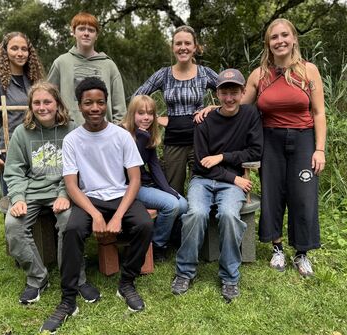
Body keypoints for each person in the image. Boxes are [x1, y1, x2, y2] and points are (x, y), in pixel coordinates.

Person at [41, 77, 153, 334]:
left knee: (144, 224)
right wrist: (95, 215)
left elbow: (134, 180)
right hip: (89, 198)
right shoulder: (72, 140)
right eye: (88, 103)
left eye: (100, 102)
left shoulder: (121, 135)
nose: (95, 108)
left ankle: (126, 283)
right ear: (79, 106)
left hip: (120, 195)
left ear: (107, 104)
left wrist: (117, 217)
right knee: (72, 229)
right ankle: (68, 300)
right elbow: (71, 185)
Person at [242, 18, 326, 277]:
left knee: (303, 196)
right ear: (268, 43)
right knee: (273, 194)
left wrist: (319, 149)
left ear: (293, 39)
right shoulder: (259, 75)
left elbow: (319, 112)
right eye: (274, 37)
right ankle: (277, 248)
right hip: (271, 141)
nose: (280, 41)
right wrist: (213, 110)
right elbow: (241, 109)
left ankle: (302, 253)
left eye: (284, 35)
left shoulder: (308, 71)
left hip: (303, 140)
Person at [171, 69, 263, 303]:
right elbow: (202, 163)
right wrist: (233, 177)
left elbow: (255, 151)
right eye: (224, 92)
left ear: (243, 93)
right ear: (217, 95)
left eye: (234, 92)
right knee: (196, 214)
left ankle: (230, 277)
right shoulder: (204, 121)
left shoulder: (250, 115)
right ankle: (185, 272)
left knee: (229, 215)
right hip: (204, 180)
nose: (229, 98)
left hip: (232, 182)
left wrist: (222, 157)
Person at [3, 82, 76, 304]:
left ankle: (72, 276)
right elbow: (14, 170)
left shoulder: (71, 130)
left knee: (69, 222)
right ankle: (37, 278)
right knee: (13, 226)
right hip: (31, 192)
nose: (42, 107)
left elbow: (76, 169)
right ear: (30, 106)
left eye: (47, 102)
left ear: (57, 104)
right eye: (37, 102)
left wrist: (65, 194)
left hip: (63, 191)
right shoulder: (21, 133)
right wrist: (17, 198)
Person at [133, 25, 218, 196]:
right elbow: (136, 98)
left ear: (195, 47)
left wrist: (213, 108)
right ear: (173, 47)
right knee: (173, 191)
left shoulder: (204, 73)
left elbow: (237, 96)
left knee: (201, 191)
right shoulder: (163, 75)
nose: (183, 47)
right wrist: (155, 118)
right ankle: (177, 223)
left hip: (200, 141)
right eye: (178, 43)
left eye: (187, 43)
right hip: (173, 142)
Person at [121, 95, 188, 261]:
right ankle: (157, 246)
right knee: (171, 205)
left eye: (150, 113)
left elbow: (154, 165)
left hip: (145, 183)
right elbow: (130, 166)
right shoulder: (122, 133)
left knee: (183, 204)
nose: (146, 117)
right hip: (128, 187)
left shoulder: (146, 133)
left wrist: (167, 189)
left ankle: (171, 239)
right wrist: (141, 137)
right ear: (132, 114)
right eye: (141, 113)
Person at [0, 32, 44, 196]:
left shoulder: (34, 79)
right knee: (13, 200)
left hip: (36, 146)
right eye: (14, 48)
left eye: (24, 49)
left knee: (37, 198)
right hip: (9, 149)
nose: (20, 53)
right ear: (5, 51)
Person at [48, 11, 126, 125]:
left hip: (103, 134)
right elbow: (49, 99)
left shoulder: (109, 65)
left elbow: (120, 109)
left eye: (91, 30)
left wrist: (116, 131)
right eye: (81, 29)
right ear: (73, 32)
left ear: (96, 36)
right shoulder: (61, 63)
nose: (86, 33)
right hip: (69, 132)